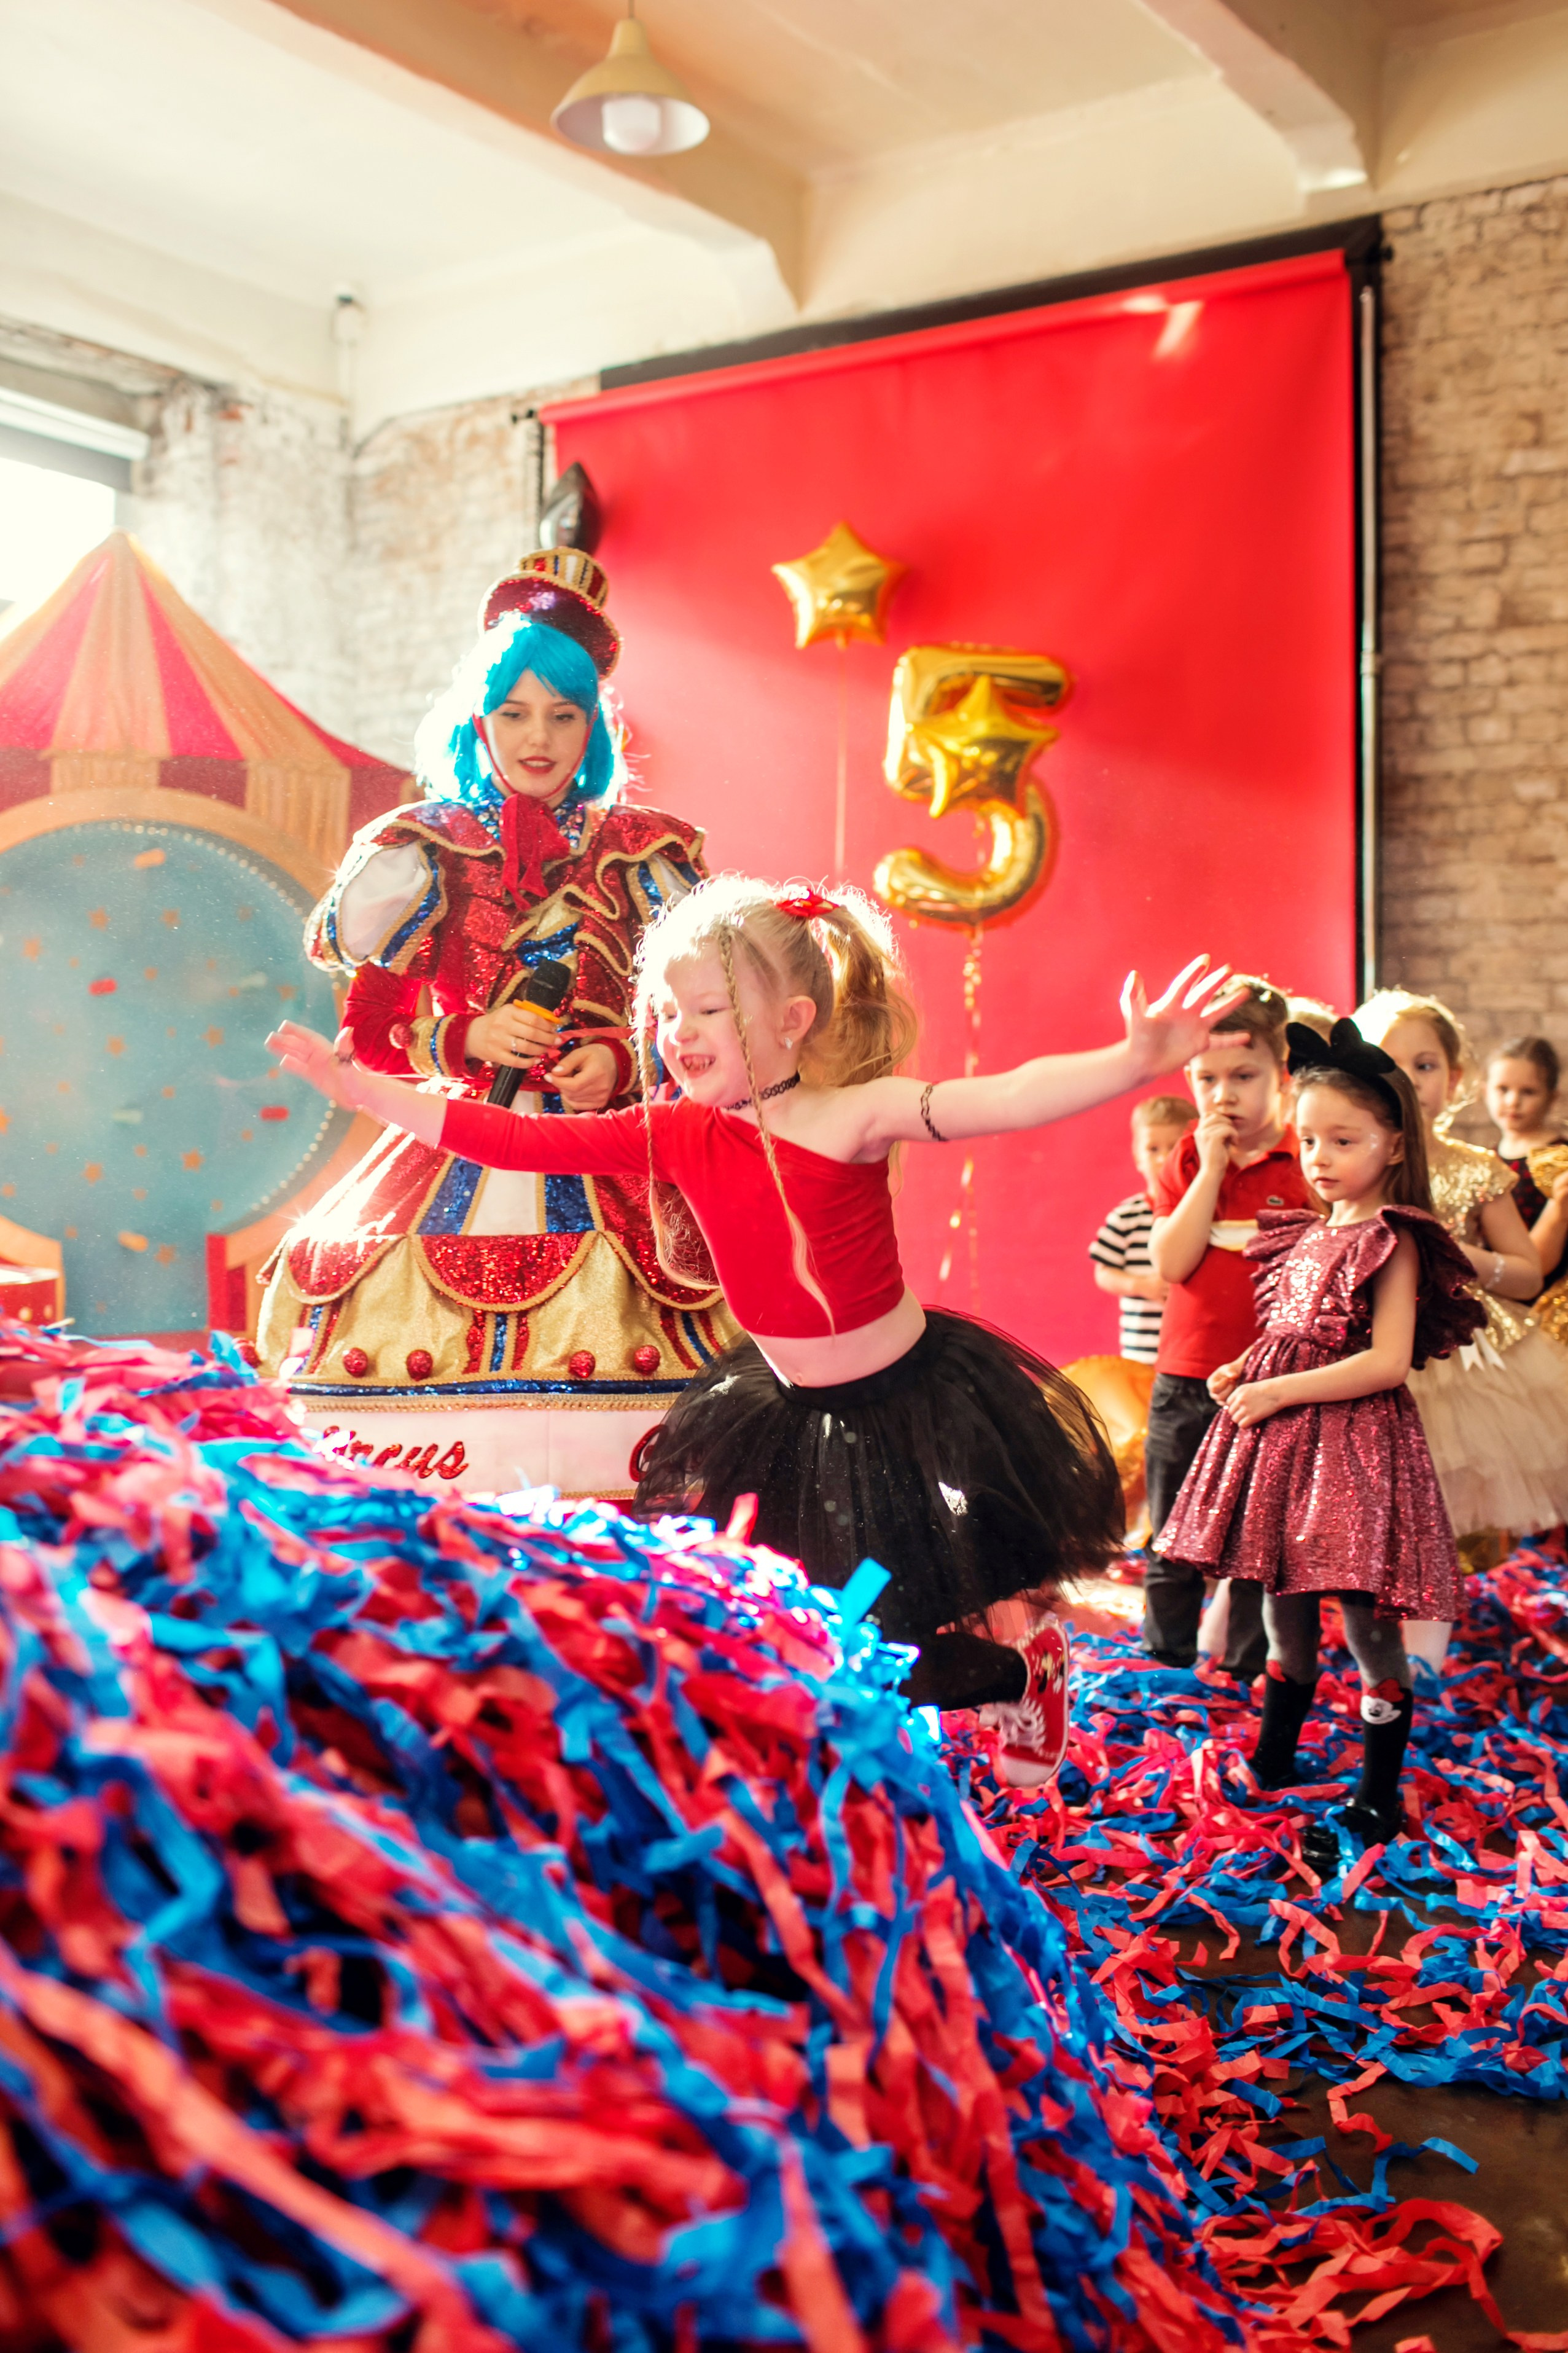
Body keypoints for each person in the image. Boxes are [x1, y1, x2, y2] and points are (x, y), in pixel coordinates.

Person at [268, 877, 1242, 1784]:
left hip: (909, 1407)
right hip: (787, 1422)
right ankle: (957, 1689)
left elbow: (1006, 1097)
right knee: (816, 1636)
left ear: (793, 1020)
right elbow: (512, 1136)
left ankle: (1013, 1677)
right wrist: (359, 1090)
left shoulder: (854, 1112)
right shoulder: (674, 1131)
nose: (677, 1034)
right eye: (668, 1012)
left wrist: (1131, 1062)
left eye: (708, 1012)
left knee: (881, 1630)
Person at [255, 548, 739, 1497]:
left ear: (595, 723)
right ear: (478, 716)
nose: (539, 737)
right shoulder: (420, 847)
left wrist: (617, 1059)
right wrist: (464, 1041)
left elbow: (704, 1019)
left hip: (612, 1151)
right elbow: (376, 1028)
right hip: (456, 1139)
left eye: (564, 714)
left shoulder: (649, 852)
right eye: (515, 711)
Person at [1155, 1023, 1482, 1863]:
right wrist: (1239, 1368)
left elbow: (1382, 1360)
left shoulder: (1392, 1236)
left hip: (1355, 1451)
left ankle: (1376, 1786)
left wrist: (1273, 1389)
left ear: (1393, 1143)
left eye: (1344, 1140)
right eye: (1309, 1139)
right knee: (1280, 1606)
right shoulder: (1301, 1231)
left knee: (1367, 1622)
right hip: (1283, 1448)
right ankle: (1274, 1751)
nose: (1321, 1156)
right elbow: (1292, 1331)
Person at [1355, 990, 1568, 1668]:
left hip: (1462, 1355)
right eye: (1390, 1063)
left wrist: (1462, 1256)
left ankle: (1423, 1661)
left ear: (1455, 1077)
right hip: (1365, 1350)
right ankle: (1335, 1645)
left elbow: (1527, 1272)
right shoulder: (1351, 1156)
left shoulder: (1477, 1168)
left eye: (1425, 1064)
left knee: (1434, 1507)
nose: (1409, 1079)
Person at [1140, 980, 1314, 1680]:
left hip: (1268, 1386)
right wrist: (1211, 1167)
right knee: (1170, 1537)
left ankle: (1245, 1670)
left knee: (1253, 1544)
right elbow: (1173, 1261)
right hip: (1184, 1378)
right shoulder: (1186, 1157)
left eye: (1245, 1076)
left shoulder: (1308, 1161)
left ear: (1284, 1080)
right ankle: (1164, 1663)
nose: (1224, 1093)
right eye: (1207, 1078)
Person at [1088, 1095, 1197, 1365]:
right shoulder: (1127, 1217)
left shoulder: (1205, 1214)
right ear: (1137, 1157)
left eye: (1174, 1148)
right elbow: (1103, 1273)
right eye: (1153, 1149)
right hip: (1142, 1355)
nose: (1163, 1159)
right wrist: (1141, 1285)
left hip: (1194, 1355)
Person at [1484, 1034, 1568, 1303]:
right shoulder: (1484, 1160)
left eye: (1528, 1091)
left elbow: (1536, 1266)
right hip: (1495, 1300)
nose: (1513, 1101)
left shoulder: (1560, 1162)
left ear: (1552, 1097)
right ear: (1484, 1089)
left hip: (1544, 1310)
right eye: (1503, 1089)